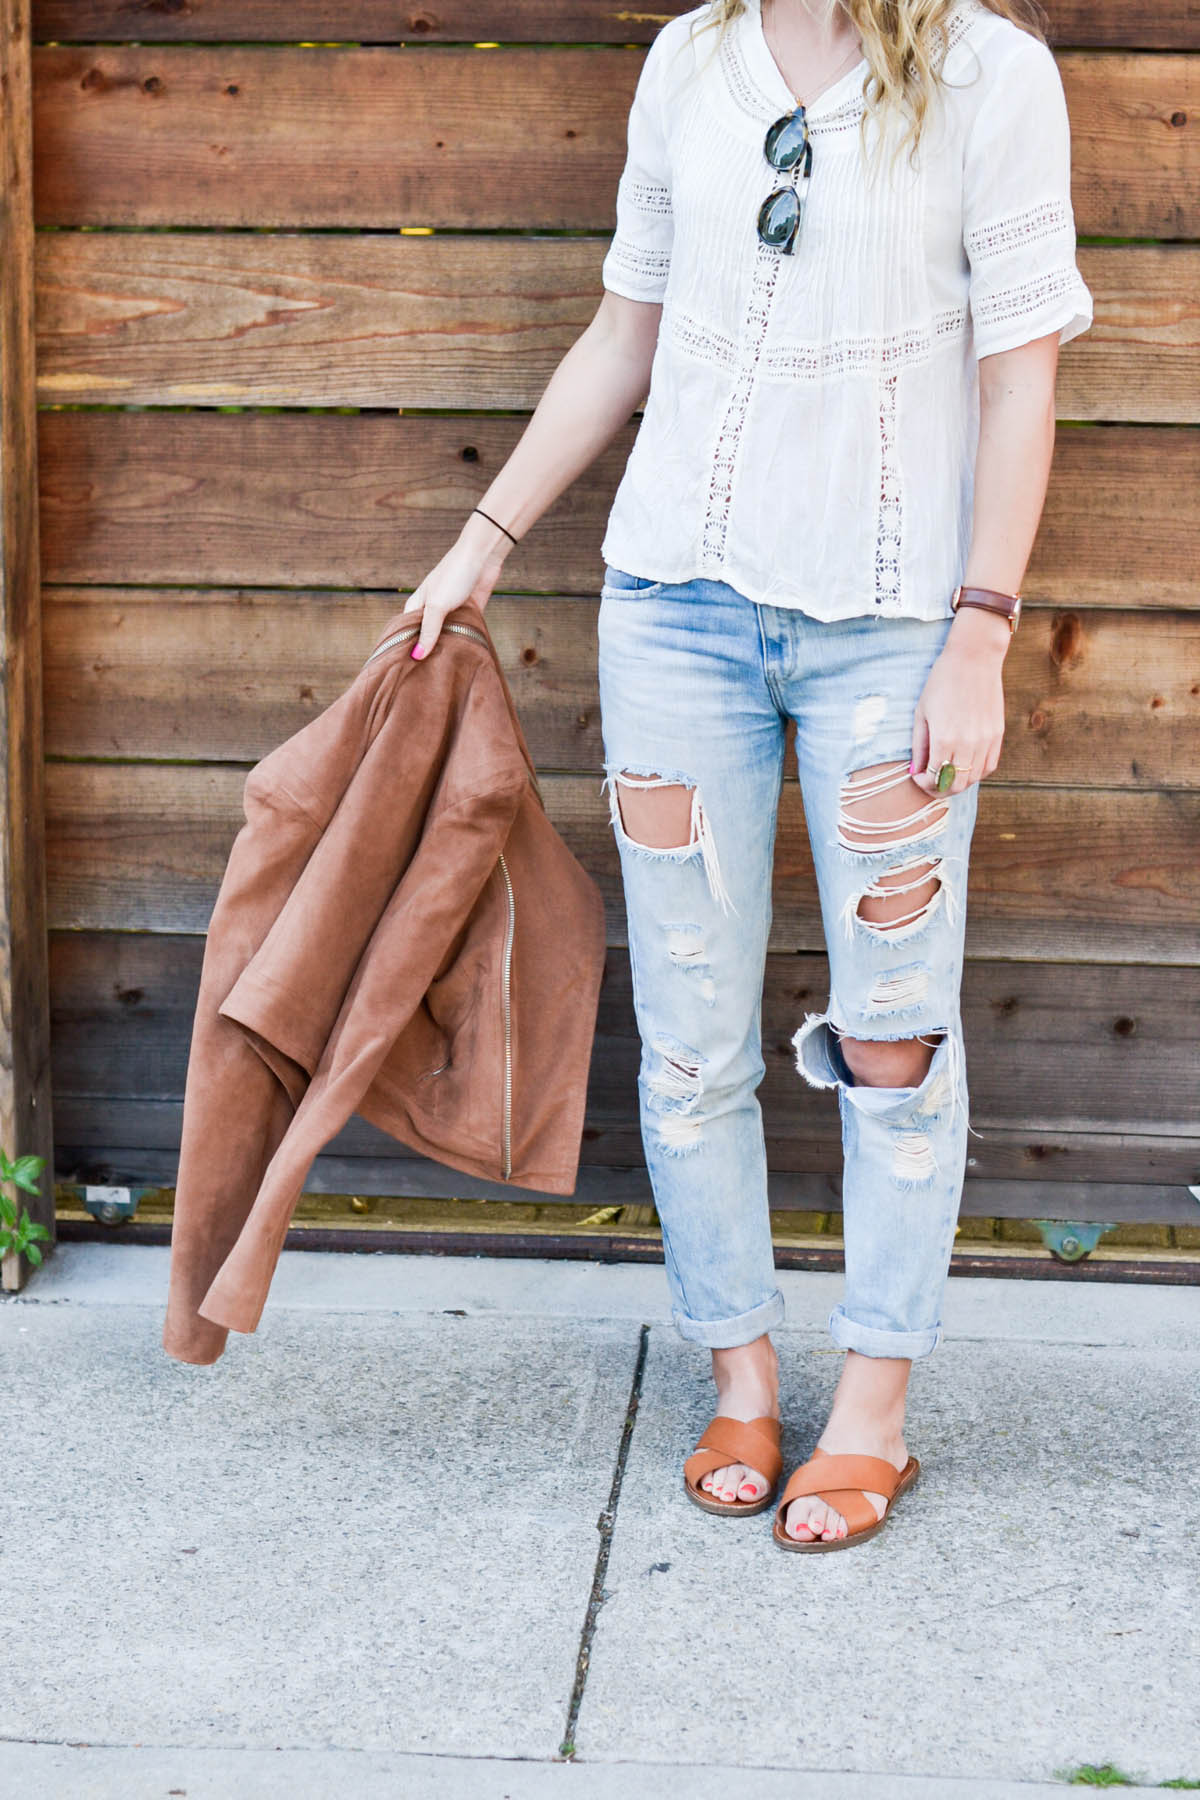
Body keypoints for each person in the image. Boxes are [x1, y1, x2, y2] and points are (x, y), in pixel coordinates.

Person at [398, 0, 1093, 1550]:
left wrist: (980, 633)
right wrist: (482, 541)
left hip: (894, 630)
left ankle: (874, 1414)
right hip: (675, 614)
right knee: (692, 1034)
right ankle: (741, 1374)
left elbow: (1020, 373)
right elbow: (624, 335)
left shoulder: (994, 73)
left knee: (896, 1036)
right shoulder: (687, 59)